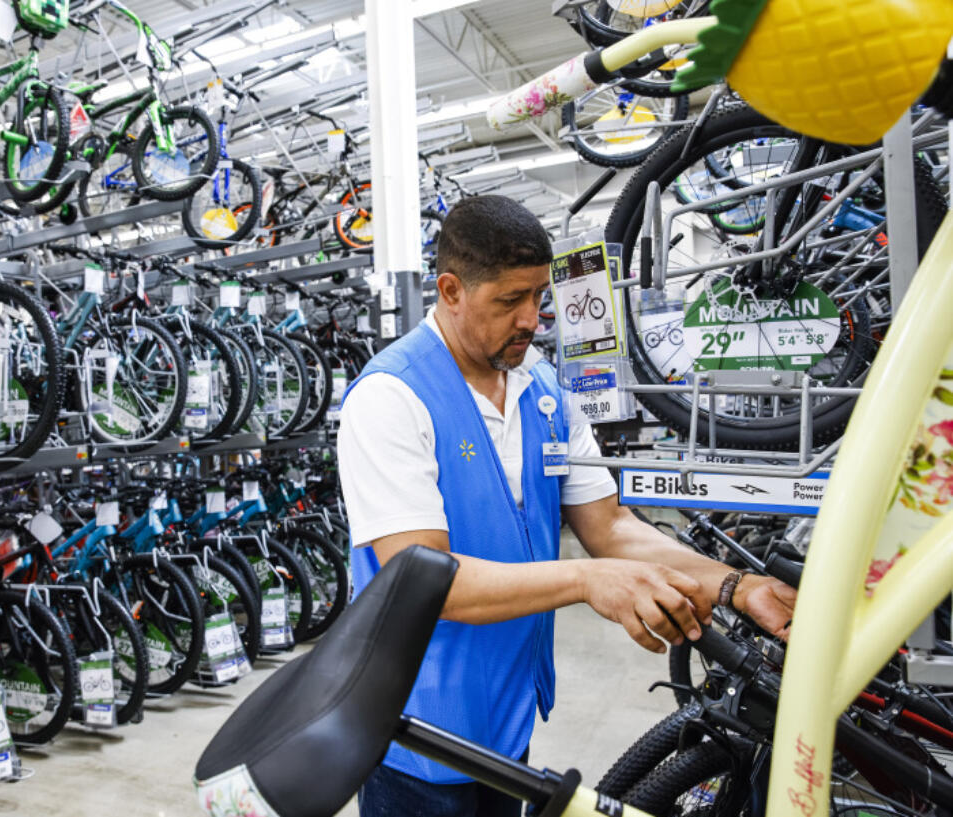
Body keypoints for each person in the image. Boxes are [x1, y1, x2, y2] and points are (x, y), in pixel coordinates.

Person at [337, 195, 796, 817]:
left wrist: (735, 586)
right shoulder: (391, 398)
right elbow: (427, 579)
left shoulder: (544, 391)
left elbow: (610, 528)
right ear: (450, 290)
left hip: (505, 724)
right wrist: (586, 579)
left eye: (539, 298)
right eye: (509, 301)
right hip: (412, 732)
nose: (532, 319)